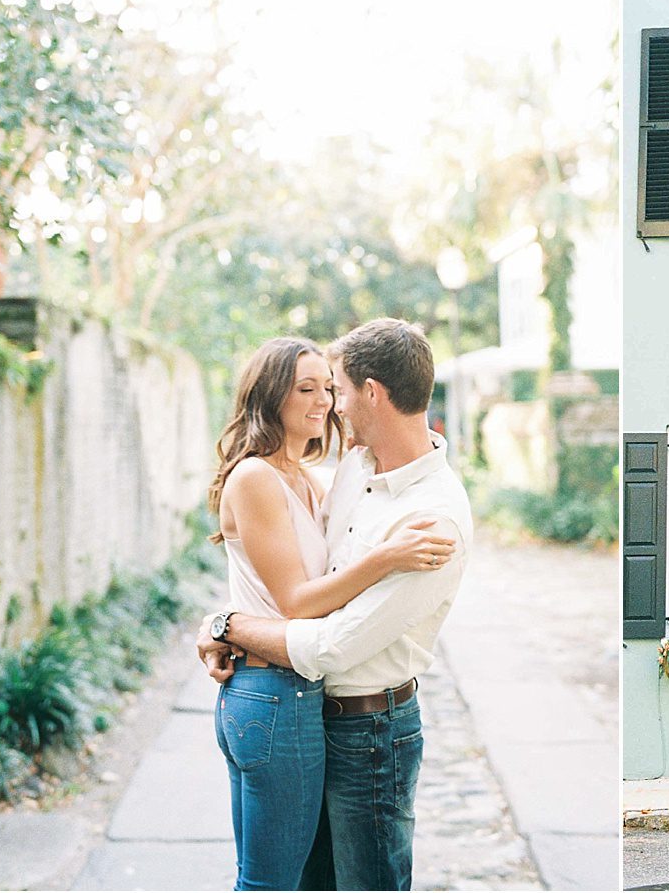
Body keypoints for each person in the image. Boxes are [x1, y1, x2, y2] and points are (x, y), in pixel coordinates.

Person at [199, 318, 471, 891]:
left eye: (336, 388)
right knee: (292, 883)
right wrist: (225, 623)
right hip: (301, 709)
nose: (331, 404)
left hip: (372, 730)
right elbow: (294, 583)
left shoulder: (433, 518)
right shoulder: (353, 469)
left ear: (370, 393)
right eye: (312, 388)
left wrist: (233, 625)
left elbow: (331, 642)